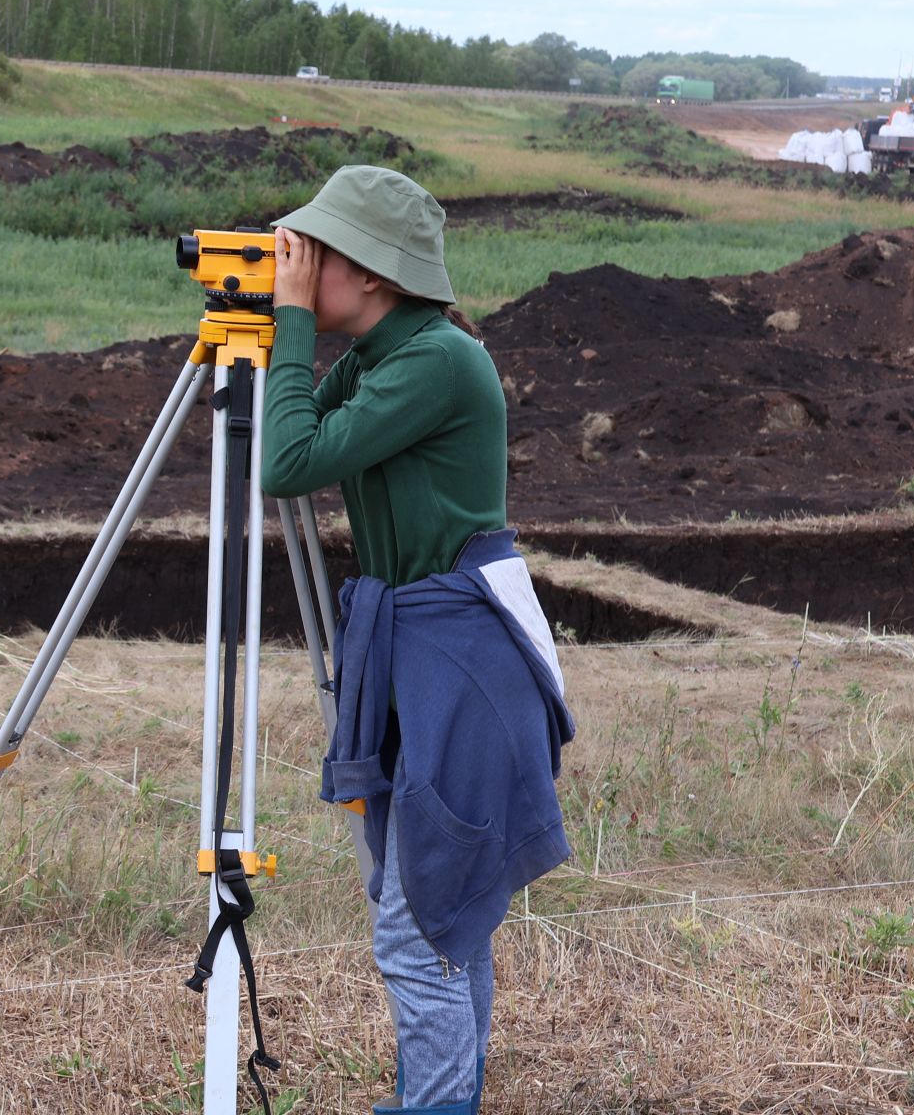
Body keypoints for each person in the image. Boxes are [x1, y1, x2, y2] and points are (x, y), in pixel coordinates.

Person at [260, 166, 576, 1115]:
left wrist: (284, 326)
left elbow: (287, 461)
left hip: (460, 659)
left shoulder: (437, 359)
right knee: (444, 925)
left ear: (370, 272)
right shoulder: (383, 355)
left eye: (313, 253)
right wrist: (295, 330)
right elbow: (305, 432)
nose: (297, 265)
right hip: (419, 646)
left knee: (422, 927)